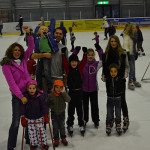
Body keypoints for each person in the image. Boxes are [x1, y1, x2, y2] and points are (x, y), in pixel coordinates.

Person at [0, 26, 34, 150]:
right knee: (15, 122)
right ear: (11, 51)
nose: (17, 52)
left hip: (29, 93)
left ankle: (29, 139)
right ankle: (10, 145)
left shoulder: (24, 59)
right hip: (18, 96)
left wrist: (29, 34)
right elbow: (12, 84)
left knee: (30, 118)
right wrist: (20, 97)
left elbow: (31, 47)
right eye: (15, 50)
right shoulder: (7, 65)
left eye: (19, 50)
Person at [102, 35, 130, 132]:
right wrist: (103, 75)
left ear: (118, 42)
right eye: (111, 41)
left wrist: (125, 73)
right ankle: (111, 119)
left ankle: (125, 119)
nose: (113, 43)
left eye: (115, 41)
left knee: (122, 100)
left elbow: (126, 66)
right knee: (110, 100)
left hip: (120, 80)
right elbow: (105, 66)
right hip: (110, 81)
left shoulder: (122, 53)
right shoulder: (106, 53)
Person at [72, 44, 103, 128]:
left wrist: (99, 49)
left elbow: (102, 59)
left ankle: (96, 120)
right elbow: (72, 60)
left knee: (94, 106)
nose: (90, 56)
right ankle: (85, 120)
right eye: (88, 54)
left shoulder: (96, 64)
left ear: (94, 56)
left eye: (92, 55)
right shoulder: (81, 64)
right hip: (84, 90)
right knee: (84, 106)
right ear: (86, 55)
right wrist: (76, 51)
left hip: (93, 89)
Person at [31, 23, 68, 89]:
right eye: (56, 33)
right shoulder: (44, 44)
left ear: (62, 36)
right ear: (53, 34)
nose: (58, 35)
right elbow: (33, 56)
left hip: (59, 78)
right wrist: (43, 54)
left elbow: (66, 64)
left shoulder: (64, 48)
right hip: (45, 78)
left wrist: (66, 78)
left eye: (60, 34)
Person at [61, 46, 87, 136]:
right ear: (70, 62)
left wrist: (85, 54)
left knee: (80, 110)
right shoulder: (68, 69)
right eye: (72, 62)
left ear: (77, 62)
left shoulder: (79, 69)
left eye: (75, 61)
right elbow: (64, 63)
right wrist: (63, 54)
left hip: (79, 93)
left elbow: (84, 62)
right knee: (71, 110)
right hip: (71, 93)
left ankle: (81, 124)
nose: (74, 63)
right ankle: (70, 124)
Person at [20, 80, 49, 150]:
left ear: (36, 89)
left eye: (33, 88)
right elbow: (22, 108)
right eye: (30, 88)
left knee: (41, 131)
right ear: (27, 89)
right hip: (29, 118)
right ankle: (33, 144)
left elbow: (44, 106)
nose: (31, 90)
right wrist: (23, 117)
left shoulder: (40, 97)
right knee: (31, 132)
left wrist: (46, 115)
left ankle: (44, 143)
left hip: (39, 117)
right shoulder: (26, 97)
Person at [103, 62, 126, 135]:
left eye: (115, 71)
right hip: (109, 98)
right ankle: (108, 124)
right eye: (111, 71)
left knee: (118, 112)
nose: (113, 73)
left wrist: (123, 58)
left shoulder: (119, 78)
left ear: (117, 72)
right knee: (109, 113)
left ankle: (118, 124)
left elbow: (122, 68)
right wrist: (104, 59)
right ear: (109, 72)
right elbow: (104, 66)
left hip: (118, 98)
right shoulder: (108, 78)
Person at [46, 80, 71, 147]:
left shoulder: (63, 94)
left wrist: (64, 92)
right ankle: (56, 139)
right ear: (54, 87)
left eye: (60, 87)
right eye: (57, 87)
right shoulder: (51, 95)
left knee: (62, 126)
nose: (59, 89)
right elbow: (47, 103)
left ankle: (63, 138)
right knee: (55, 127)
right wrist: (50, 107)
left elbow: (68, 100)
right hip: (54, 114)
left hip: (62, 113)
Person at [123, 23, 141, 90]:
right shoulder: (127, 36)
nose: (135, 29)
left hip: (133, 53)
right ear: (130, 29)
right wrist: (128, 54)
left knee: (134, 68)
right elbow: (125, 46)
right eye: (133, 28)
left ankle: (134, 79)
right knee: (131, 68)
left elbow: (134, 45)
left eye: (135, 28)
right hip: (128, 54)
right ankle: (129, 81)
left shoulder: (135, 34)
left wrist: (136, 52)